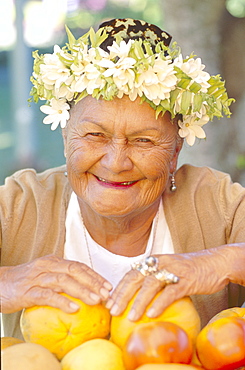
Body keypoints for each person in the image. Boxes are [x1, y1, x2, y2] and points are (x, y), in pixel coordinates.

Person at [0, 18, 244, 340]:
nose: (116, 163)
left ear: (174, 153)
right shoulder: (21, 204)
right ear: (65, 137)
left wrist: (217, 263)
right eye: (94, 135)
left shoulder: (217, 203)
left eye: (143, 140)